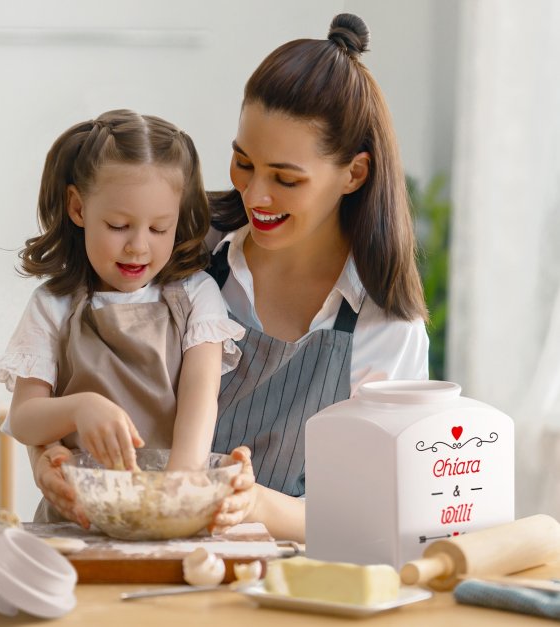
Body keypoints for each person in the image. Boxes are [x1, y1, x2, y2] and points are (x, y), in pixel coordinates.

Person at [29, 13, 429, 540]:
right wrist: (46, 461)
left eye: (286, 179)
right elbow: (70, 364)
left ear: (353, 174)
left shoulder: (386, 327)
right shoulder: (181, 252)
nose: (255, 195)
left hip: (279, 582)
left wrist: (257, 502)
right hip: (119, 543)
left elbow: (379, 514)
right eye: (243, 162)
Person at [0, 109, 244, 521]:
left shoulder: (197, 297)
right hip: (75, 519)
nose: (138, 247)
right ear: (78, 208)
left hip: (166, 510)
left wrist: (176, 494)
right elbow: (23, 420)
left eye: (160, 229)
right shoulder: (53, 305)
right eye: (119, 225)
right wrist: (79, 408)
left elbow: (200, 403)